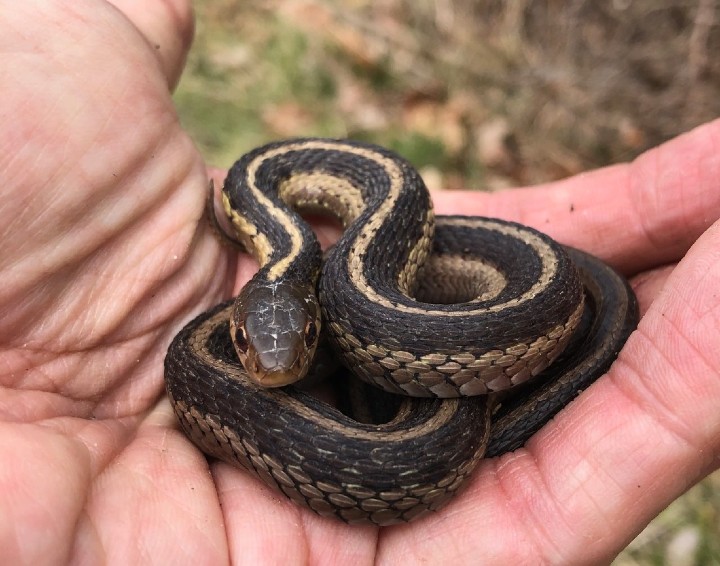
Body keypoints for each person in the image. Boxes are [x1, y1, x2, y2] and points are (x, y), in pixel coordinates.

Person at [2, 2, 718, 564]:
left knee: (567, 301)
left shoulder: (369, 228)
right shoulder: (254, 195)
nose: (271, 365)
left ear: (313, 315)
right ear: (249, 315)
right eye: (252, 345)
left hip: (482, 304)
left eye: (293, 342)